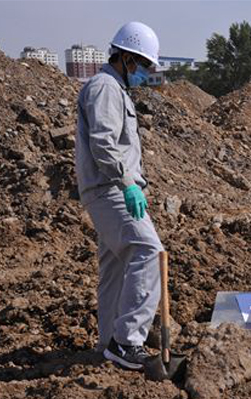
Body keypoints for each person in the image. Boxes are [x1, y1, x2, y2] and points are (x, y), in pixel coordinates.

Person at [75, 21, 163, 370]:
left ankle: (108, 340)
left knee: (114, 265)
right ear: (126, 57)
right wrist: (127, 183)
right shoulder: (105, 88)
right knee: (149, 252)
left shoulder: (113, 89)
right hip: (110, 188)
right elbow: (103, 143)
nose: (144, 73)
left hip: (109, 188)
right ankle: (127, 341)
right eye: (141, 65)